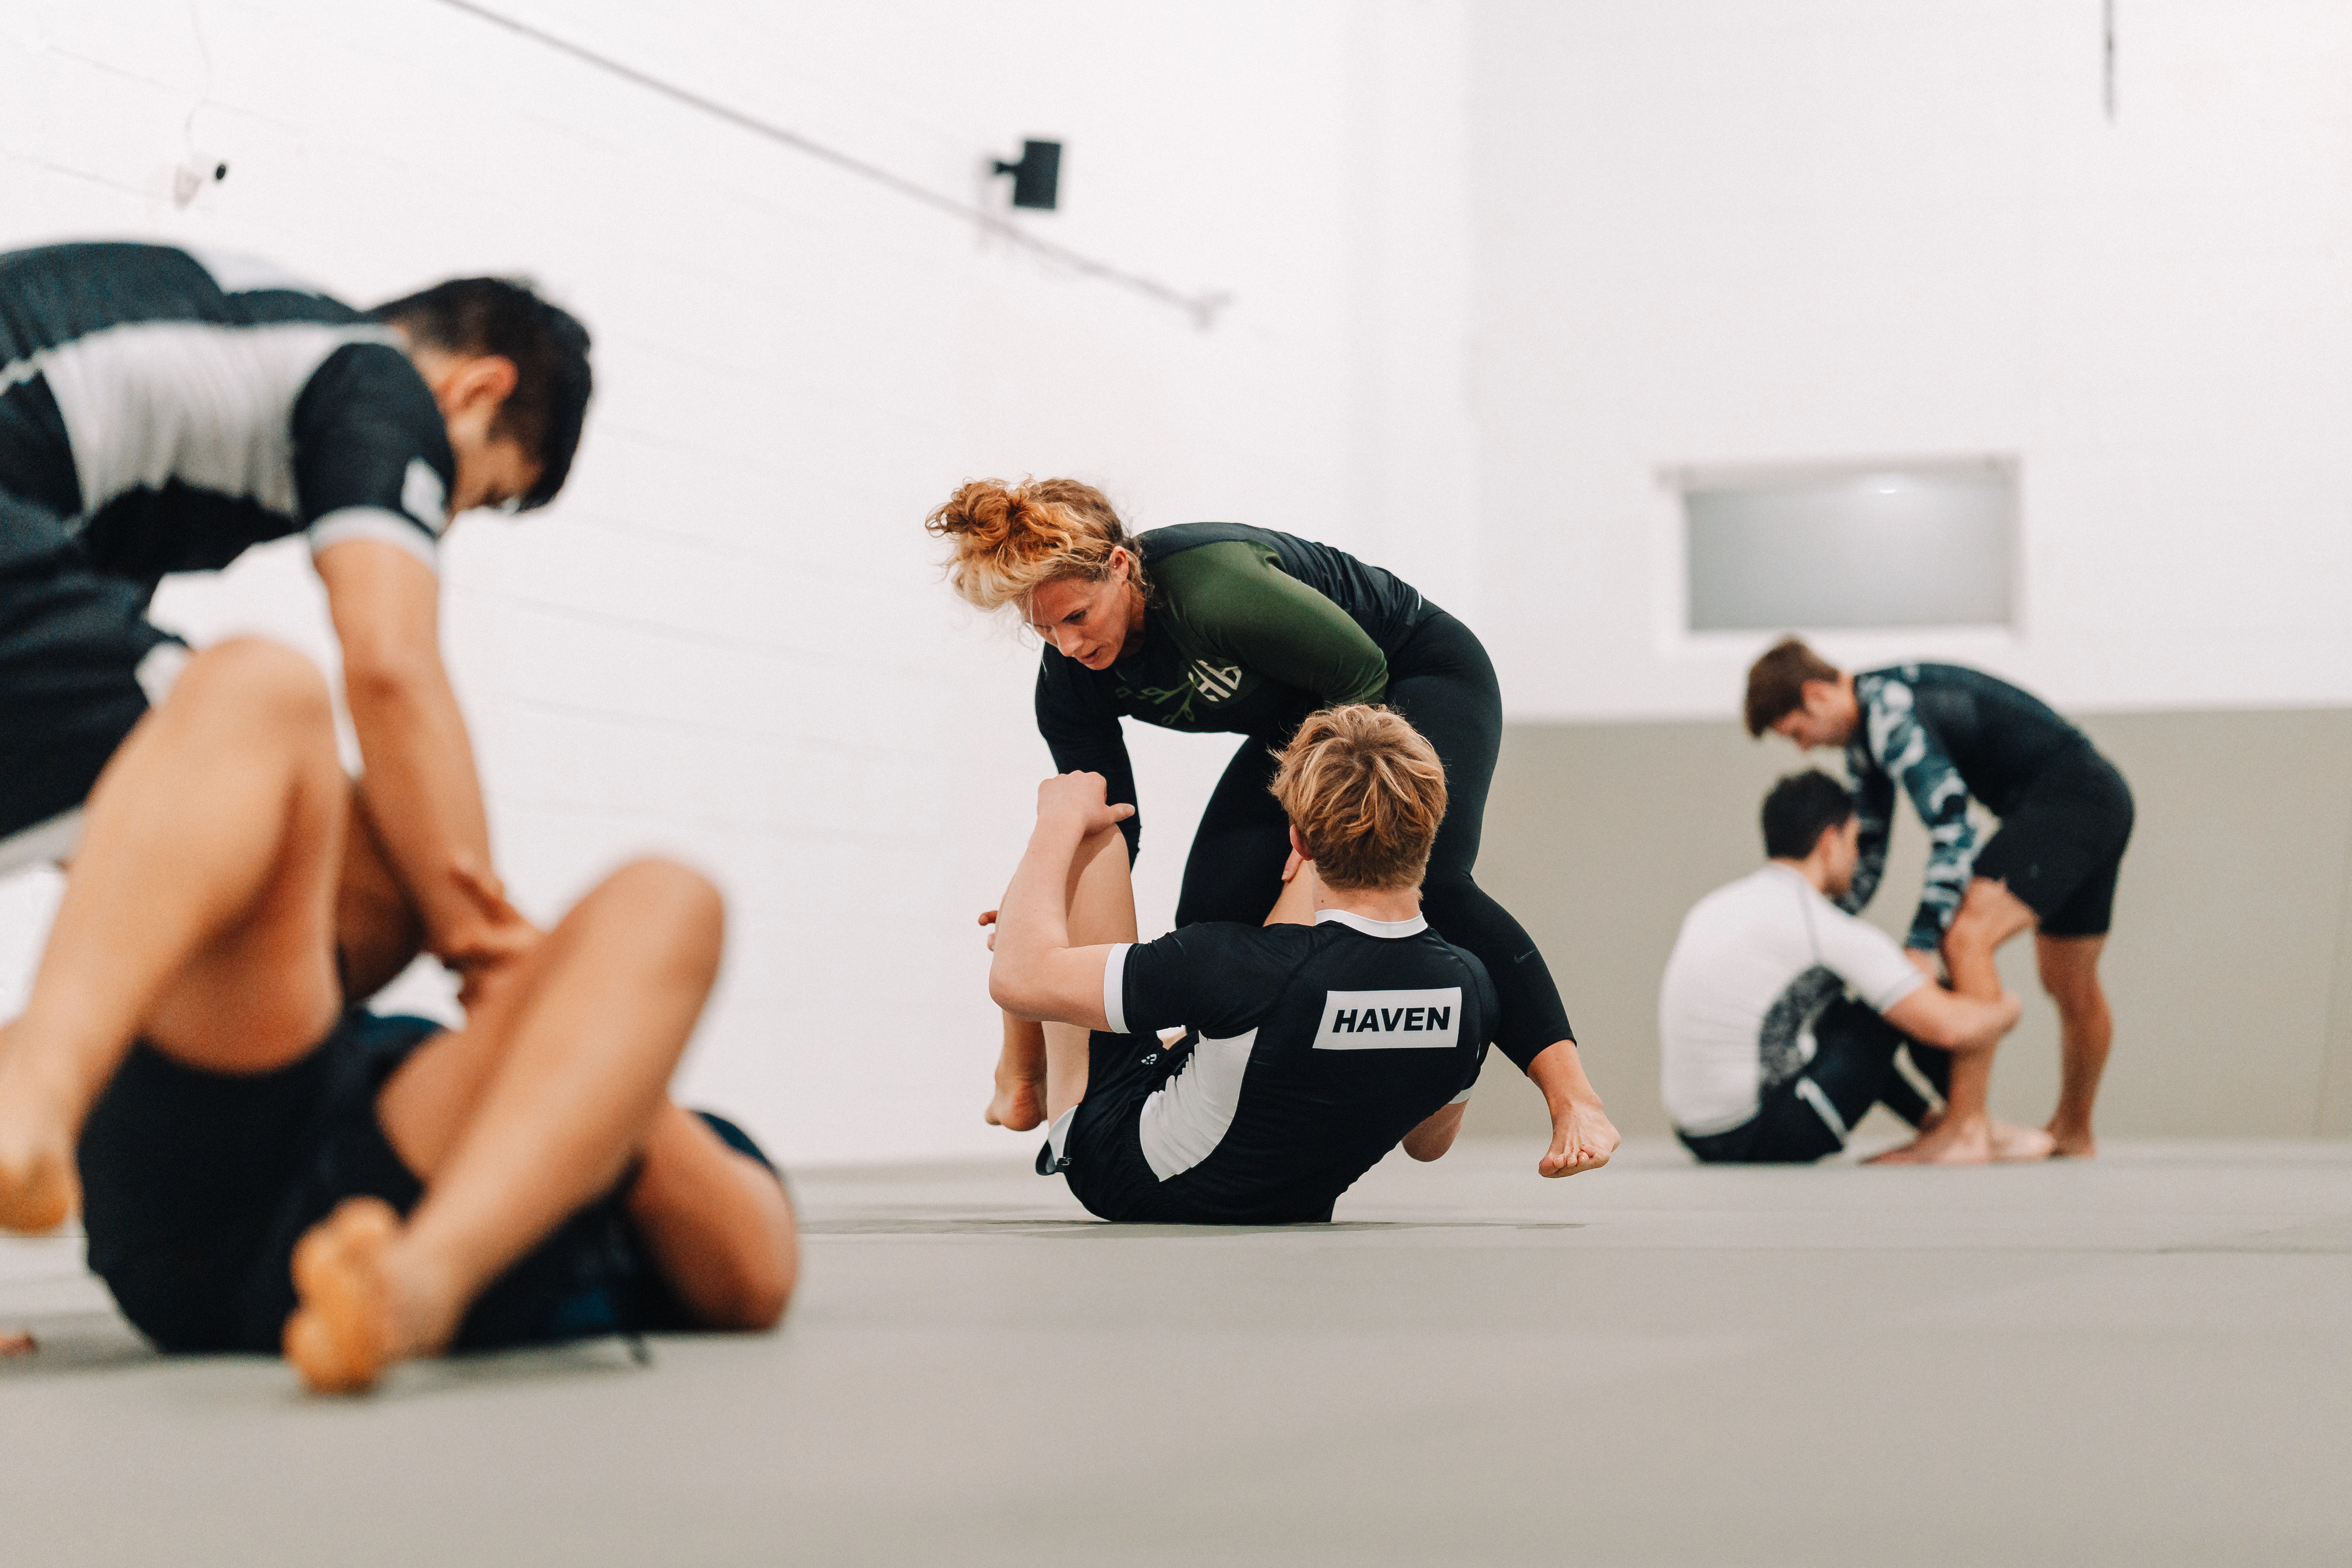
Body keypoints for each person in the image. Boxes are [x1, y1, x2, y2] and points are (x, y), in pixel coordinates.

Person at [0, 636, 795, 1392]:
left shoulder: (648, 1139)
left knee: (672, 896)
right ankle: (37, 1086)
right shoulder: (349, 1052)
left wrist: (561, 1007)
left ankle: (414, 1289)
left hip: (412, 1216)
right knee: (262, 681)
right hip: (226, 1162)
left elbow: (752, 1277)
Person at [928, 479, 1616, 1179]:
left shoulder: (1213, 590)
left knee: (1429, 880)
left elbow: (1361, 672)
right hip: (1308, 708)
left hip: (1409, 674)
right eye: (1044, 630)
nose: (1068, 645)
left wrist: (1313, 828)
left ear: (1120, 566)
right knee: (1211, 913)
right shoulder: (1070, 684)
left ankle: (1574, 1099)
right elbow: (1108, 823)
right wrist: (1042, 907)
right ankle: (1193, 1107)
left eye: (1077, 617)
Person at [0, 240, 593, 996]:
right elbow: (391, 668)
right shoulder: (377, 376)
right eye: (472, 491)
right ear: (478, 389)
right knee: (370, 886)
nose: (441, 522)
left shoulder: (220, 358)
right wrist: (484, 941)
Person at [988, 705, 1531, 1223]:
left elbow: (1017, 978)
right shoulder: (1470, 986)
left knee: (1093, 837)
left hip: (1124, 1169)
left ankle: (1019, 1076)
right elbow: (1427, 1145)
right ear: (1431, 832)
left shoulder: (1230, 963)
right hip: (1292, 1195)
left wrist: (1057, 819)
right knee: (1283, 1014)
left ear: (1297, 839)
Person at [1745, 638, 2135, 1162]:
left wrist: (1921, 945)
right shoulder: (1868, 734)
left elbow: (1954, 830)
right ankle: (2073, 1133)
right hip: (2096, 800)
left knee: (1964, 936)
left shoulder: (1889, 710)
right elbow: (1868, 861)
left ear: (1817, 695)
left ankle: (1966, 1127)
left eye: (1797, 732)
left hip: (2070, 801)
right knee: (2071, 985)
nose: (1805, 748)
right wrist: (1813, 927)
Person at [1660, 771, 2024, 1163]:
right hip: (1767, 1134)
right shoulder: (1818, 922)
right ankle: (1969, 1126)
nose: (1857, 856)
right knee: (1888, 1010)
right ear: (1830, 843)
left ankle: (1937, 1123)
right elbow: (1946, 1029)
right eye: (1855, 841)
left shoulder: (1716, 905)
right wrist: (2007, 1009)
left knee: (1847, 1014)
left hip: (1697, 1136)